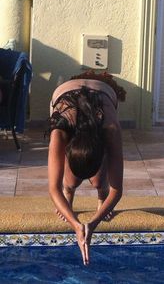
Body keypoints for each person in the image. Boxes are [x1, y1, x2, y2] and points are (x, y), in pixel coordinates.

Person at [47, 75, 124, 265]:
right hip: (64, 94)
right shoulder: (59, 130)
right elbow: (53, 188)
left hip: (103, 94)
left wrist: (92, 223)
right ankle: (69, 193)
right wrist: (76, 225)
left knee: (99, 182)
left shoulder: (110, 128)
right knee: (70, 182)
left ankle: (101, 195)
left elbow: (117, 190)